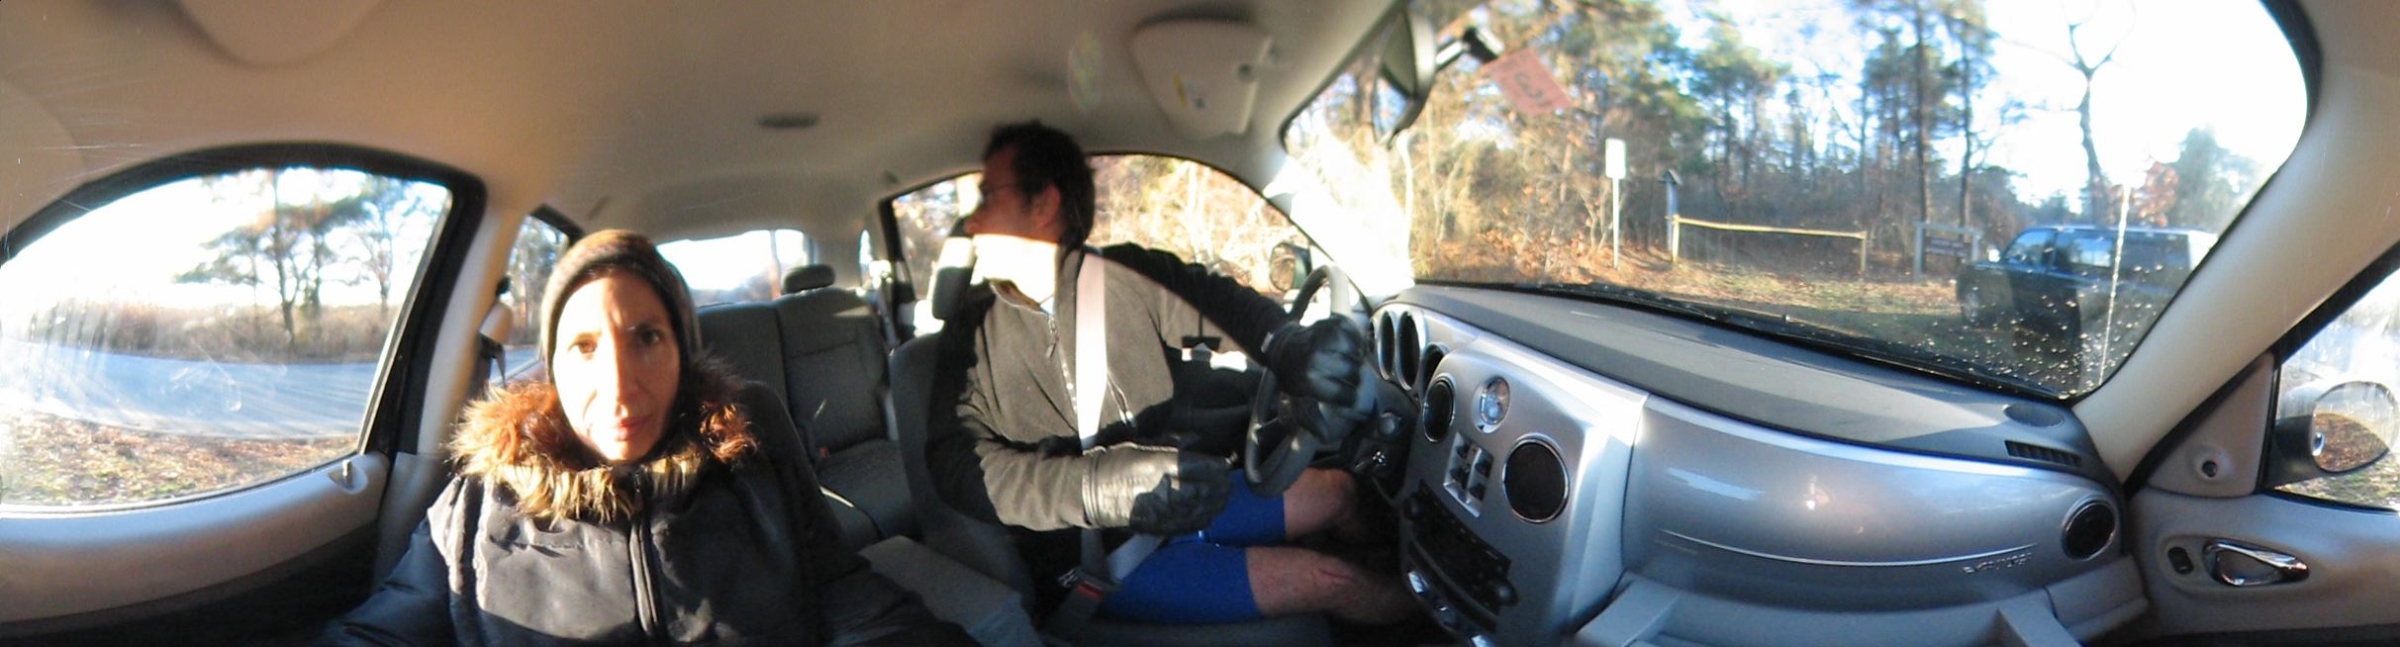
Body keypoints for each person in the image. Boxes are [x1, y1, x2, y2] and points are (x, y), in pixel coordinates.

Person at [321, 230, 972, 646]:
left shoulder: (754, 463)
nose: (620, 388)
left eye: (648, 338)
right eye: (584, 346)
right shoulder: (478, 504)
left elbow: (850, 599)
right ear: (551, 367)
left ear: (683, 354)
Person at [925, 121, 1416, 626]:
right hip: (1097, 561)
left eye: (988, 197)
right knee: (1330, 581)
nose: (971, 223)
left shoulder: (1125, 276)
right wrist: (1093, 489)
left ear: (1043, 203)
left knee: (1341, 492)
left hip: (1184, 499)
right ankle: (1427, 624)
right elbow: (956, 465)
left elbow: (1219, 305)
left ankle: (1403, 580)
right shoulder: (972, 332)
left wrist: (1288, 344)